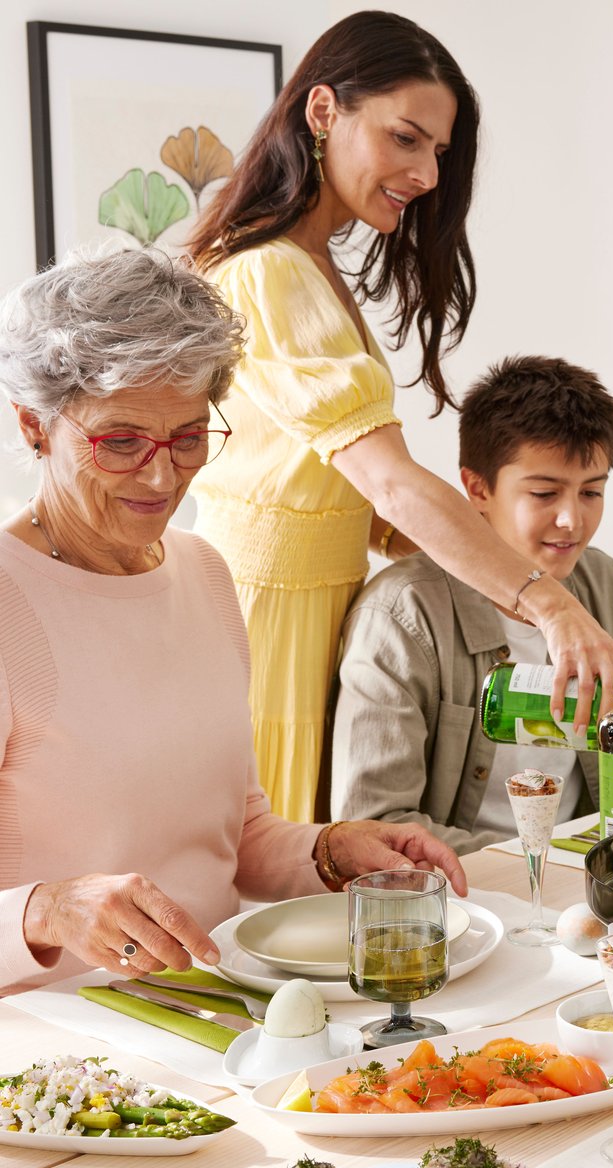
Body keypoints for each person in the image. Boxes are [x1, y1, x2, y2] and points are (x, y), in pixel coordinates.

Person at [187, 12, 613, 822]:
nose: (428, 173)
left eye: (437, 150)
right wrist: (551, 604)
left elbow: (355, 501)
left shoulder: (314, 270)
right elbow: (389, 485)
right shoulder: (270, 273)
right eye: (406, 139)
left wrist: (460, 563)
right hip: (267, 626)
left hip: (320, 608)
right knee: (267, 882)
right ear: (323, 111)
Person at [0, 247, 465, 994]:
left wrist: (329, 850)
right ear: (33, 426)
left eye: (188, 437)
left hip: (217, 1010)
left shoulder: (205, 573)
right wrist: (47, 911)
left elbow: (235, 836)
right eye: (120, 442)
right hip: (56, 1051)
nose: (161, 476)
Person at [331, 355, 613, 849]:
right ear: (477, 488)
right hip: (469, 898)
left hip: (590, 881)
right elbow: (377, 822)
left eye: (592, 492)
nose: (572, 520)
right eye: (544, 493)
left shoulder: (604, 583)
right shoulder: (401, 614)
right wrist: (539, 863)